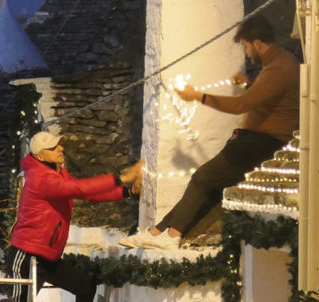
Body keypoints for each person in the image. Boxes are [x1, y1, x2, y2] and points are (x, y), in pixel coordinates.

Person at [120, 15, 299, 250]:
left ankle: (171, 236)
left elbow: (241, 105)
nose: (245, 53)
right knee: (206, 184)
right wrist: (248, 85)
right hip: (257, 141)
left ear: (257, 43)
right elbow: (269, 99)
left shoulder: (279, 67)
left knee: (202, 178)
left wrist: (198, 97)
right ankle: (158, 232)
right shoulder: (280, 63)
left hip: (260, 143)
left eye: (245, 46)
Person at [7, 130, 142, 302]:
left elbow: (87, 194)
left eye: (60, 145)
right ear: (40, 155)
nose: (61, 149)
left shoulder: (56, 173)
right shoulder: (41, 178)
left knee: (84, 286)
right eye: (55, 147)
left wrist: (126, 191)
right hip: (27, 255)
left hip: (48, 257)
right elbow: (80, 189)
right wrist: (120, 178)